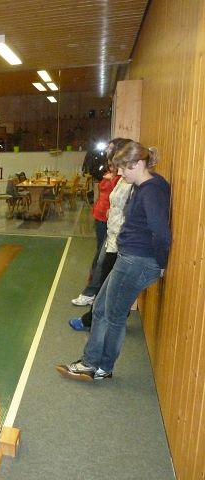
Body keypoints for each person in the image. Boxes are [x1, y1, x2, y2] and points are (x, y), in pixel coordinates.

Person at [57, 141, 171, 381]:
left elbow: (161, 232)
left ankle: (97, 366)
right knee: (99, 308)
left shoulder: (151, 190)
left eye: (124, 168)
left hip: (137, 261)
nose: (119, 172)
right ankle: (95, 363)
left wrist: (161, 264)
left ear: (139, 164)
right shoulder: (147, 184)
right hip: (128, 257)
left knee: (113, 316)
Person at [68, 173, 133, 331]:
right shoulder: (122, 180)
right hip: (112, 237)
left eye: (118, 166)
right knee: (107, 280)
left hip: (120, 242)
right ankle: (102, 319)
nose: (118, 171)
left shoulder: (137, 186)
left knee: (107, 283)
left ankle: (94, 320)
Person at [71, 138, 128, 306]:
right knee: (99, 256)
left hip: (111, 221)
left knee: (101, 259)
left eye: (111, 148)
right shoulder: (109, 167)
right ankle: (94, 290)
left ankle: (93, 292)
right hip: (102, 216)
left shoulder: (122, 176)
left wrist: (111, 177)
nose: (107, 151)